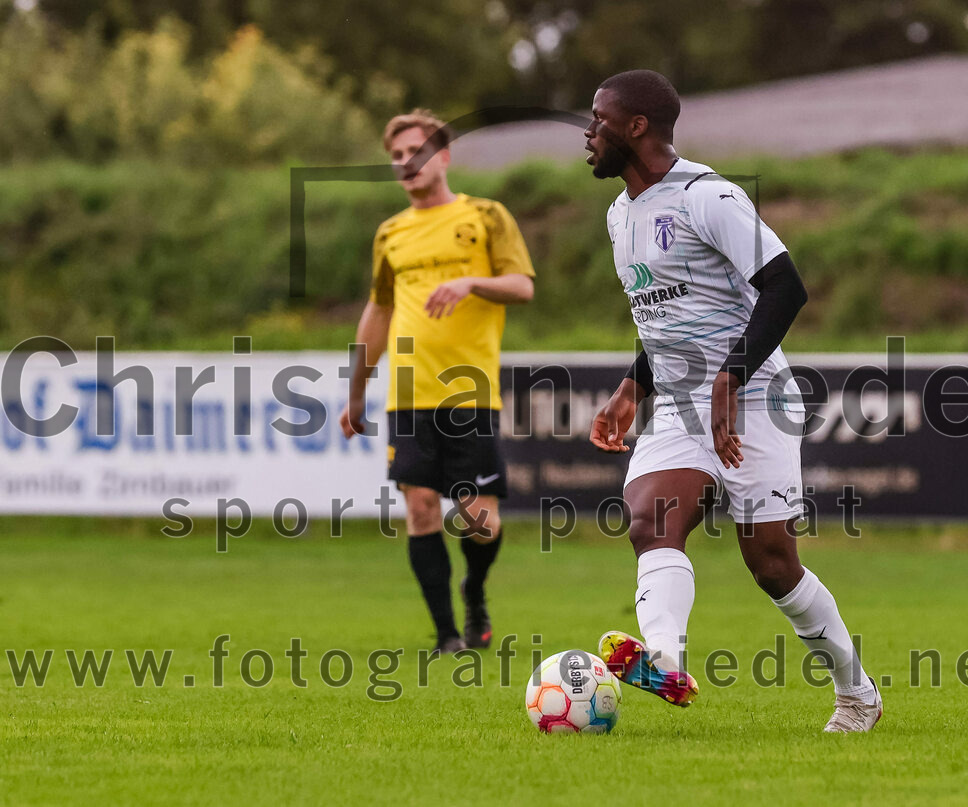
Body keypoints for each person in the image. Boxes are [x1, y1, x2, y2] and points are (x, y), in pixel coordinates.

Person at [585, 71, 881, 732]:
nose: (587, 133)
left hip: (756, 397)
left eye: (597, 119)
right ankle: (663, 658)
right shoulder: (619, 213)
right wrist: (635, 385)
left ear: (636, 127)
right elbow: (665, 317)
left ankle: (857, 691)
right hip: (682, 400)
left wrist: (729, 379)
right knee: (650, 516)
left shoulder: (705, 196)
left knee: (772, 564)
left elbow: (785, 288)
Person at [340, 109, 535, 654]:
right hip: (407, 395)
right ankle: (448, 634)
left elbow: (522, 286)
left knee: (477, 519)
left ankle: (474, 590)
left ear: (443, 157)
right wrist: (356, 389)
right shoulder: (391, 233)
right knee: (421, 507)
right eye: (397, 156)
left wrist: (473, 282)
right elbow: (377, 313)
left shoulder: (486, 216)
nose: (405, 163)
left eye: (415, 152)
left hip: (469, 392)